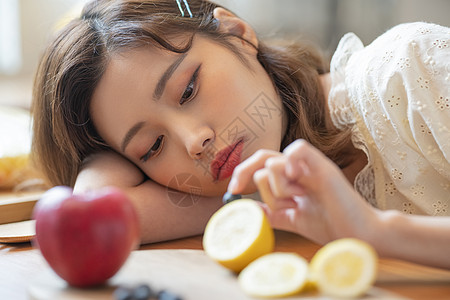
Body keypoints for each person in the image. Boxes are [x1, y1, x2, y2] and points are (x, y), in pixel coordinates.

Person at [31, 0, 449, 268]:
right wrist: (101, 155)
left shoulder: (408, 71)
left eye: (188, 89)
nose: (194, 141)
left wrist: (375, 231)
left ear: (237, 34)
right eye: (152, 147)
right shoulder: (262, 187)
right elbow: (99, 216)